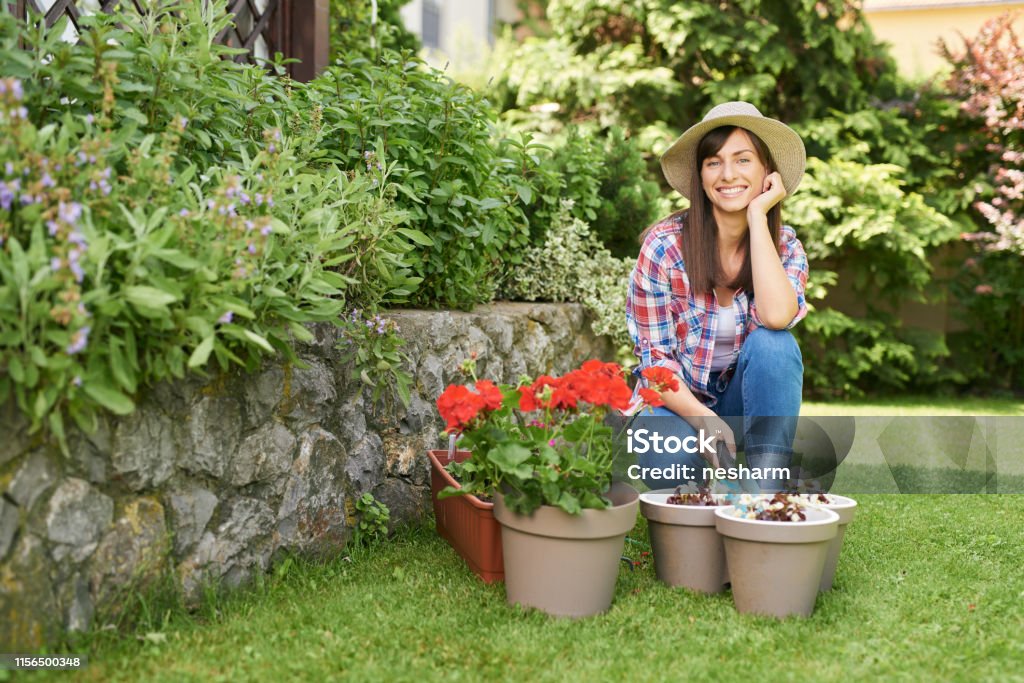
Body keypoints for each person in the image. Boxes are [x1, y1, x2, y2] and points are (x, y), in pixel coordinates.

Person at [626, 101, 808, 492]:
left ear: (766, 173)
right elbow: (656, 363)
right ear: (701, 175)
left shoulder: (786, 248)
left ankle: (766, 488)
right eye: (713, 162)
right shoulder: (664, 248)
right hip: (676, 401)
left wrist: (758, 217)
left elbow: (777, 318)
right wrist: (703, 420)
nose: (728, 175)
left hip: (743, 403)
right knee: (669, 466)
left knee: (775, 345)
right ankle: (695, 498)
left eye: (743, 160)